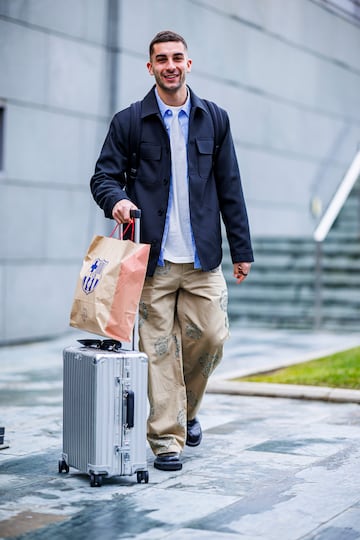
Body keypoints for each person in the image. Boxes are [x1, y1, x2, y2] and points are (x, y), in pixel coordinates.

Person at [90, 30, 254, 472]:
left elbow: (230, 186)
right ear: (150, 68)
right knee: (159, 350)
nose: (170, 65)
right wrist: (116, 200)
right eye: (161, 59)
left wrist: (241, 248)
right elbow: (103, 177)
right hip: (153, 261)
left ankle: (187, 413)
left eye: (177, 57)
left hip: (203, 259)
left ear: (189, 63)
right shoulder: (129, 121)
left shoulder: (214, 119)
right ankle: (167, 440)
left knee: (213, 338)